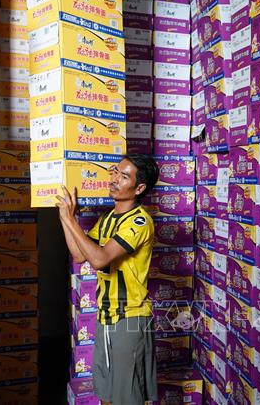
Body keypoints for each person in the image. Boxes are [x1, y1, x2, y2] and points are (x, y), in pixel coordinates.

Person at [56, 154, 160, 405]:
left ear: (139, 188)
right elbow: (80, 254)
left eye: (123, 176)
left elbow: (99, 259)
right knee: (106, 393)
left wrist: (71, 220)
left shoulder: (138, 221)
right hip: (106, 316)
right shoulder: (107, 218)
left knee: (127, 397)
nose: (114, 179)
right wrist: (65, 218)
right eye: (114, 172)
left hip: (130, 317)